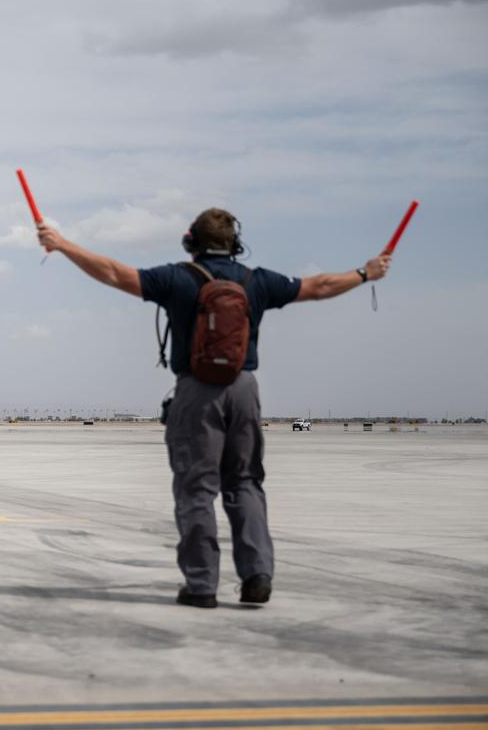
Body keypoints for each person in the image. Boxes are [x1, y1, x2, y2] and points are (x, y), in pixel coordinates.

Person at [36, 208, 391, 608]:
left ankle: (202, 584)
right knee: (245, 481)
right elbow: (319, 286)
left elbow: (115, 273)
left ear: (191, 242)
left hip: (197, 390)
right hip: (244, 389)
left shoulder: (176, 278)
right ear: (235, 244)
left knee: (196, 488)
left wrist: (62, 244)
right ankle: (257, 575)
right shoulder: (256, 281)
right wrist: (364, 274)